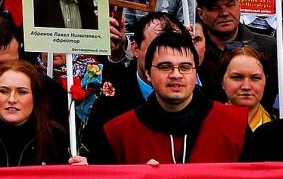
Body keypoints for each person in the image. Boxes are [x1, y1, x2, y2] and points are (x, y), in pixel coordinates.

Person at [96, 30, 249, 164]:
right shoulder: (119, 133)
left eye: (185, 67)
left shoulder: (234, 125)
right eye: (165, 67)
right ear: (148, 73)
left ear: (195, 72)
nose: (176, 75)